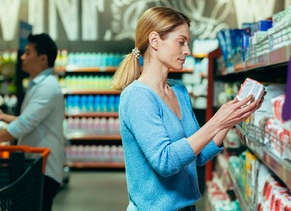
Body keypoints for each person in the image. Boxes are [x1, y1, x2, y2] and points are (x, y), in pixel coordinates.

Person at [111, 6, 264, 211]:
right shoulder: (137, 96)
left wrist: (232, 118)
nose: (187, 51)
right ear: (155, 41)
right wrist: (217, 121)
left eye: (187, 43)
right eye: (181, 42)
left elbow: (198, 155)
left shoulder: (179, 91)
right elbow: (165, 162)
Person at [0, 33, 65, 211]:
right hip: (35, 167)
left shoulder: (47, 87)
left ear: (43, 59)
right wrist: (2, 117)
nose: (22, 57)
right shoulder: (39, 84)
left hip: (43, 168)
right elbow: (30, 121)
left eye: (28, 53)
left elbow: (24, 125)